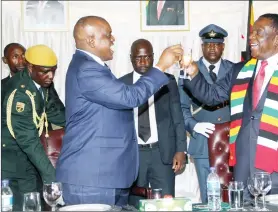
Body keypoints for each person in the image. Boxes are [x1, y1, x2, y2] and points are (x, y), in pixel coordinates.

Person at [182, 13, 278, 197]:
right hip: (244, 174)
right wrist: (193, 72)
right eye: (251, 32)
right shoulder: (240, 70)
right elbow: (211, 96)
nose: (251, 37)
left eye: (258, 32)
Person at [55, 16, 183, 206]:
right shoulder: (86, 69)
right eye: (108, 35)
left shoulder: (96, 68)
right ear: (91, 40)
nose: (113, 39)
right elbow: (131, 98)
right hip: (91, 180)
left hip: (107, 176)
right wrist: (161, 66)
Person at [120, 39, 187, 208]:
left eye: (147, 57)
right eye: (138, 58)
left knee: (165, 204)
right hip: (134, 155)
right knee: (134, 204)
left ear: (153, 57)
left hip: (162, 153)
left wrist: (181, 150)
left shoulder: (168, 81)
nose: (143, 62)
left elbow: (177, 117)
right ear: (131, 58)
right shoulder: (121, 84)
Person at [1, 44, 65, 211]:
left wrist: (85, 127)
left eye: (53, 70)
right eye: (45, 71)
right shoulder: (19, 95)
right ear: (30, 67)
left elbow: (55, 113)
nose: (50, 76)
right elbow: (28, 141)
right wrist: (52, 178)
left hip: (29, 161)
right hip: (12, 165)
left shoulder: (40, 82)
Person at [178, 24, 234, 203]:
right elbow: (181, 108)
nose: (212, 47)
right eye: (208, 44)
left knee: (232, 196)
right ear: (202, 46)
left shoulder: (234, 70)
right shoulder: (188, 70)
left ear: (223, 47)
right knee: (209, 198)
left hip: (231, 141)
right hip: (203, 142)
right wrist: (194, 126)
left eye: (216, 44)